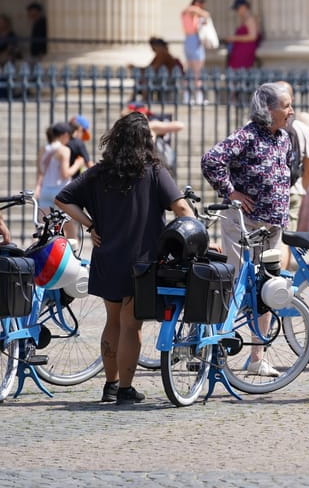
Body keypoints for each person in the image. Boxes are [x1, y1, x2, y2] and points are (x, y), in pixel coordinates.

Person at [56, 112, 194, 404]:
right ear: (145, 140)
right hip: (141, 262)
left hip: (107, 257)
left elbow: (63, 198)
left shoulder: (100, 171)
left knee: (112, 321)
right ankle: (125, 389)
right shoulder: (154, 171)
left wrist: (90, 224)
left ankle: (110, 384)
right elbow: (181, 208)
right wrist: (196, 231)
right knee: (133, 325)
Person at [201, 82, 293, 377]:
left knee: (267, 288)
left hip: (273, 223)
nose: (291, 111)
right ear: (269, 109)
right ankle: (217, 344)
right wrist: (230, 192)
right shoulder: (248, 135)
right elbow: (212, 160)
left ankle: (257, 356)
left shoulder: (284, 138)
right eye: (286, 106)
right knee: (236, 282)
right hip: (244, 222)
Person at [276, 81, 309, 269]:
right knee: (285, 238)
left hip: (268, 190)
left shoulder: (258, 126)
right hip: (293, 189)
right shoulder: (302, 128)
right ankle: (281, 279)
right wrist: (299, 190)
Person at [35, 122, 85, 215]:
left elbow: (40, 171)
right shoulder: (64, 150)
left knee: (44, 225)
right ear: (65, 135)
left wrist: (37, 187)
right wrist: (78, 164)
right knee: (69, 227)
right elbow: (65, 174)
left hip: (46, 189)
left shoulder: (43, 149)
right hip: (61, 190)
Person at [129, 37, 184, 102]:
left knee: (146, 80)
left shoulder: (162, 54)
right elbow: (150, 68)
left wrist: (136, 68)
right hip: (165, 78)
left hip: (168, 80)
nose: (152, 49)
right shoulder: (160, 54)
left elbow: (152, 69)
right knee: (145, 78)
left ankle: (143, 100)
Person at [181, 0, 210, 105]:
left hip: (191, 40)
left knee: (191, 71)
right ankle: (196, 96)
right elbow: (205, 14)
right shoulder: (190, 11)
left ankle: (189, 96)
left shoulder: (189, 13)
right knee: (196, 71)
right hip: (193, 40)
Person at [224, 0, 259, 70]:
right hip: (239, 51)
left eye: (237, 8)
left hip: (245, 52)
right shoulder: (244, 20)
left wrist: (234, 38)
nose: (237, 11)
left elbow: (253, 36)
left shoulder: (250, 19)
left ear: (243, 7)